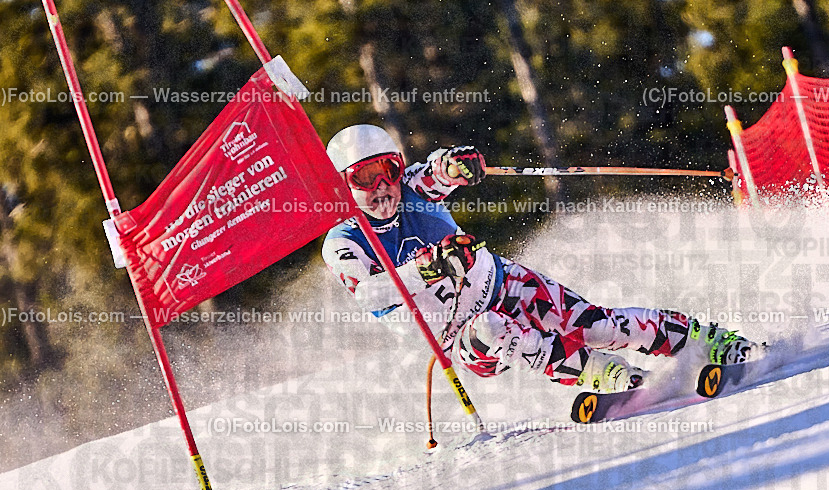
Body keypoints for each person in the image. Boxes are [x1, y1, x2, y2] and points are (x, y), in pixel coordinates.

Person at [321, 124, 755, 393]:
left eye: (388, 170)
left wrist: (456, 165)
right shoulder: (344, 242)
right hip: (459, 337)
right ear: (341, 185)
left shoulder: (413, 189)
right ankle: (603, 374)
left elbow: (437, 172)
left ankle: (710, 341)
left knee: (595, 325)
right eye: (364, 177)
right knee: (491, 328)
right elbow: (371, 295)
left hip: (502, 283)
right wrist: (426, 268)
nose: (382, 186)